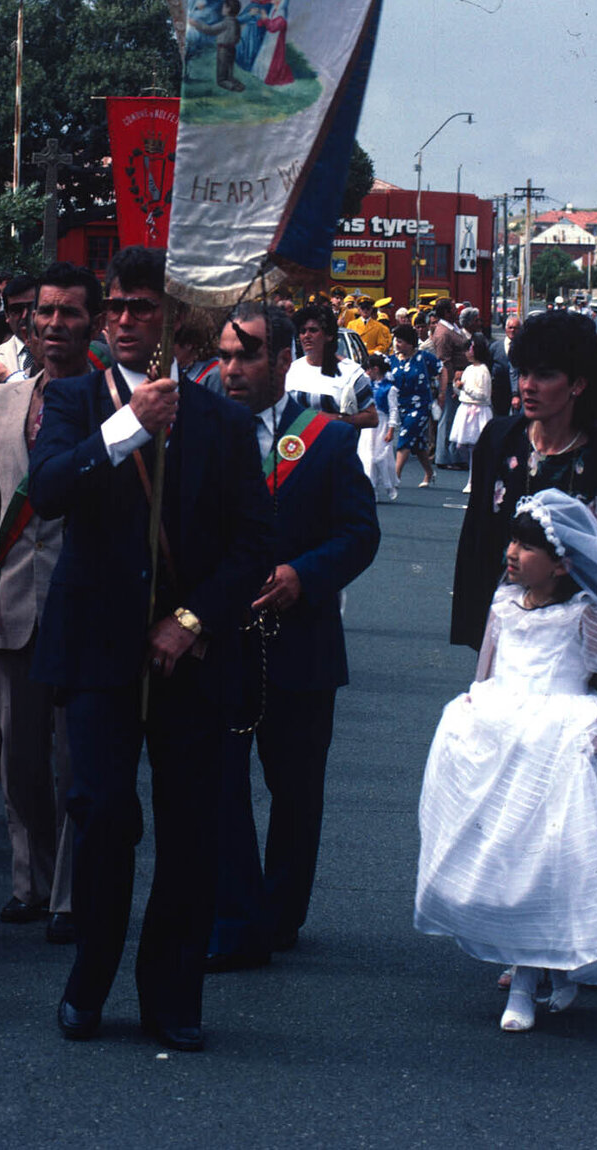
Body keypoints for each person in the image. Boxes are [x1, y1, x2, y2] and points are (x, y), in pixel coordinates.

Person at [27, 247, 274, 1049]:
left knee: (191, 823)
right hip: (98, 645)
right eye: (118, 308)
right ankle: (89, 979)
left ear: (173, 319)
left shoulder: (227, 423)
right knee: (101, 812)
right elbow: (49, 489)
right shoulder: (70, 401)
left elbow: (249, 545)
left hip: (190, 658)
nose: (128, 320)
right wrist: (129, 428)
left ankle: (172, 994)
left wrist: (193, 619)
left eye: (143, 307)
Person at [417, 491, 597, 1031]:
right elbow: (488, 669)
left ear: (564, 563)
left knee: (550, 854)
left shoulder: (584, 614)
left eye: (527, 545)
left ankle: (528, 980)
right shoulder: (502, 605)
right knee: (505, 850)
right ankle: (543, 965)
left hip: (558, 730)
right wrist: (475, 705)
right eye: (513, 541)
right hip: (504, 728)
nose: (513, 553)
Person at [451, 310, 597, 892]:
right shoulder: (499, 438)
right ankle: (524, 927)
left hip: (582, 651)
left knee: (579, 795)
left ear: (577, 384)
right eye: (521, 372)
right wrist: (483, 635)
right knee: (511, 793)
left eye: (543, 375)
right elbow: (477, 537)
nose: (526, 386)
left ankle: (581, 928)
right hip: (514, 640)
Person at [210, 302, 379, 966]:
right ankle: (237, 917)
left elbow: (360, 535)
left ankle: (281, 914)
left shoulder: (327, 439)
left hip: (299, 643)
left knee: (296, 790)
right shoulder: (197, 434)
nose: (231, 368)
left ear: (282, 359)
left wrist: (304, 574)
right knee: (222, 789)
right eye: (225, 354)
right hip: (220, 643)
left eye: (247, 354)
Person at [0, 263, 103, 942]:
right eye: (42, 312)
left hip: (86, 609)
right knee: (18, 758)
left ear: (93, 322)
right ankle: (31, 880)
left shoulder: (116, 405)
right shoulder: (3, 401)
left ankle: (71, 895)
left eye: (68, 313)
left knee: (77, 759)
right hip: (10, 600)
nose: (51, 324)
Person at [287, 301, 377, 431]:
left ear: (329, 335)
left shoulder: (352, 373)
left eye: (313, 330)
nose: (306, 336)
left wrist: (335, 419)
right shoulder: (292, 370)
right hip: (295, 447)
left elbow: (372, 418)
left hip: (335, 447)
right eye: (302, 331)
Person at [388, 323, 442, 488]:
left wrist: (442, 393)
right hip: (400, 406)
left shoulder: (424, 358)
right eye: (396, 341)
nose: (397, 344)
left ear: (411, 343)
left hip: (421, 406)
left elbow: (442, 369)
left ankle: (395, 476)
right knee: (418, 445)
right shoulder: (391, 360)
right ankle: (429, 472)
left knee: (405, 437)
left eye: (401, 341)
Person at [449, 332, 493, 492]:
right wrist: (457, 384)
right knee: (461, 446)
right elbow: (461, 393)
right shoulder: (468, 369)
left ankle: (473, 480)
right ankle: (473, 475)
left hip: (478, 411)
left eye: (469, 349)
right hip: (466, 408)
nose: (466, 353)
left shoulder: (483, 371)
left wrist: (463, 386)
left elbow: (483, 395)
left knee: (475, 448)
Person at [432, 297, 469, 467]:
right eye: (454, 308)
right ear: (446, 312)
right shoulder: (443, 333)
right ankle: (443, 457)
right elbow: (444, 361)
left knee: (454, 418)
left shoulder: (453, 327)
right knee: (447, 419)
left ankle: (454, 455)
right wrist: (453, 382)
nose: (457, 310)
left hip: (459, 378)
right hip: (450, 381)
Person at [357, 351, 398, 501]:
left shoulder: (389, 389)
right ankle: (371, 488)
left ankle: (388, 484)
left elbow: (393, 410)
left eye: (369, 369)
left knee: (380, 457)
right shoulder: (368, 386)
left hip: (382, 424)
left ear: (376, 369)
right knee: (367, 456)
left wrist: (391, 429)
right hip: (369, 425)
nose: (366, 372)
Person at [189, 0, 245, 92]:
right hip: (232, 49)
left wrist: (196, 24)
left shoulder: (226, 22)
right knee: (229, 74)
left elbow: (210, 30)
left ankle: (234, 87)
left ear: (228, 9)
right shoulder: (236, 22)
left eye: (224, 7)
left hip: (223, 50)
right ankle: (239, 85)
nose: (222, 9)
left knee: (221, 79)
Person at [252, 0, 294, 86]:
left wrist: (265, 18)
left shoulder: (281, 15)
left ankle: (269, 80)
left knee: (271, 63)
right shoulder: (273, 11)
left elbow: (272, 27)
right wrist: (260, 18)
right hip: (269, 41)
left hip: (275, 46)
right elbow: (265, 23)